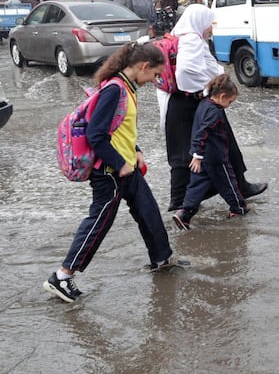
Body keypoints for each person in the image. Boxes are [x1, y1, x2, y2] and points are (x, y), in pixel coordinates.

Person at [43, 41, 180, 303]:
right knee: (98, 224)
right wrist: (120, 164)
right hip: (109, 172)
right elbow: (96, 135)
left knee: (148, 211)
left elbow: (119, 127)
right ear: (143, 66)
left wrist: (136, 150)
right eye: (155, 74)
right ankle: (61, 277)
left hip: (126, 167)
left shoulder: (127, 87)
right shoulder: (115, 90)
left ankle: (162, 259)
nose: (155, 80)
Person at [163, 4, 267, 212]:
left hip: (181, 103)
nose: (211, 28)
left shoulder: (180, 37)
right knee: (220, 144)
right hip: (193, 103)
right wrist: (209, 89)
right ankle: (237, 188)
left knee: (183, 152)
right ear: (199, 21)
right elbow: (185, 73)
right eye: (210, 23)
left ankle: (181, 199)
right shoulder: (191, 40)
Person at [173, 74, 247, 229]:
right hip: (216, 157)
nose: (229, 105)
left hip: (203, 157)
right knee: (229, 183)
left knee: (196, 186)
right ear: (221, 96)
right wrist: (198, 154)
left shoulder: (203, 104)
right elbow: (203, 132)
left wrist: (197, 154)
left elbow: (198, 131)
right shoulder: (214, 112)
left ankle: (184, 213)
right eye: (230, 101)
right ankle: (238, 208)